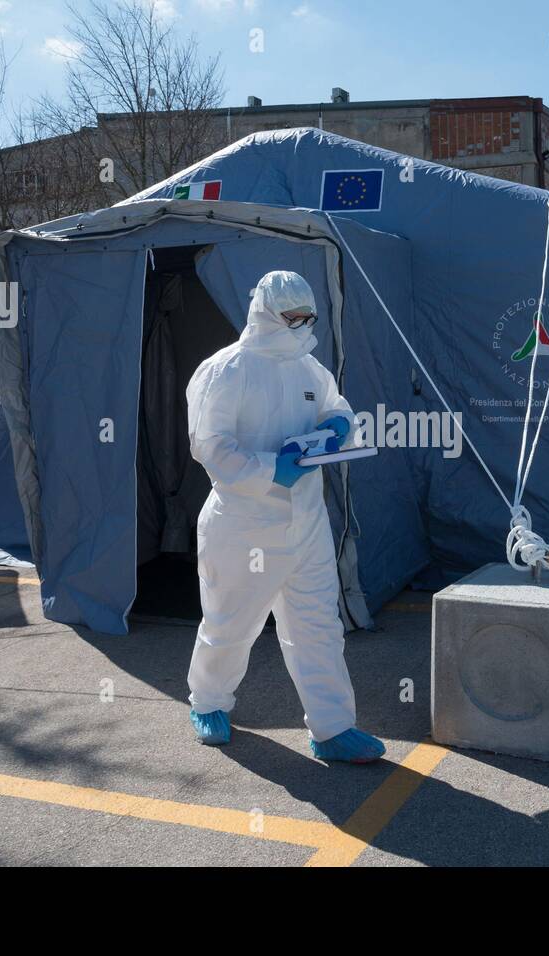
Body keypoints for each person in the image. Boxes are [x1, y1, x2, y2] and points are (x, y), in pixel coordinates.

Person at [183, 270, 385, 764]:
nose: (300, 326)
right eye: (291, 317)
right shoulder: (225, 369)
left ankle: (333, 728)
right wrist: (275, 469)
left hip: (307, 523)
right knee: (232, 623)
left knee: (318, 626)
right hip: (244, 525)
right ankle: (208, 703)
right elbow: (210, 446)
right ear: (265, 313)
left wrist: (339, 425)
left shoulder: (310, 369)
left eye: (306, 318)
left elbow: (338, 409)